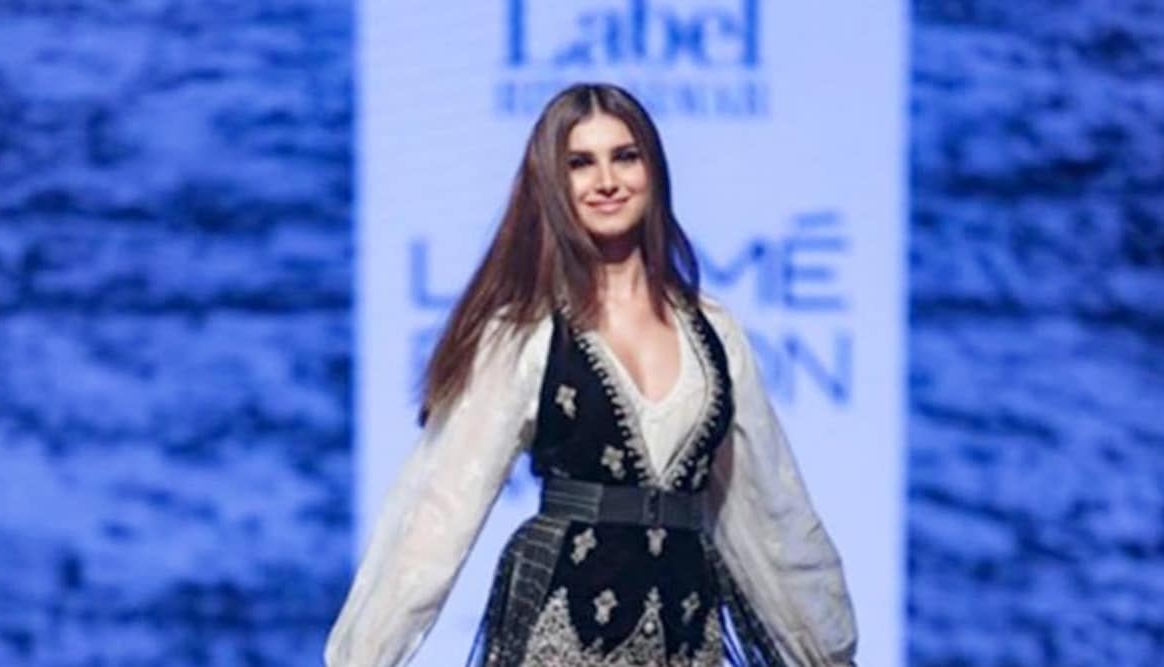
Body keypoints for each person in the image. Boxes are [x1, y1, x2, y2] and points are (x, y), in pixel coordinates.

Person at [324, 82, 857, 667]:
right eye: (580, 163)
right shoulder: (526, 333)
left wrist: (828, 653)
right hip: (565, 632)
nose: (606, 181)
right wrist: (364, 657)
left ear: (653, 170)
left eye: (625, 157)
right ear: (553, 184)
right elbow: (440, 507)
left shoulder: (715, 333)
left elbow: (770, 506)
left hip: (684, 630)